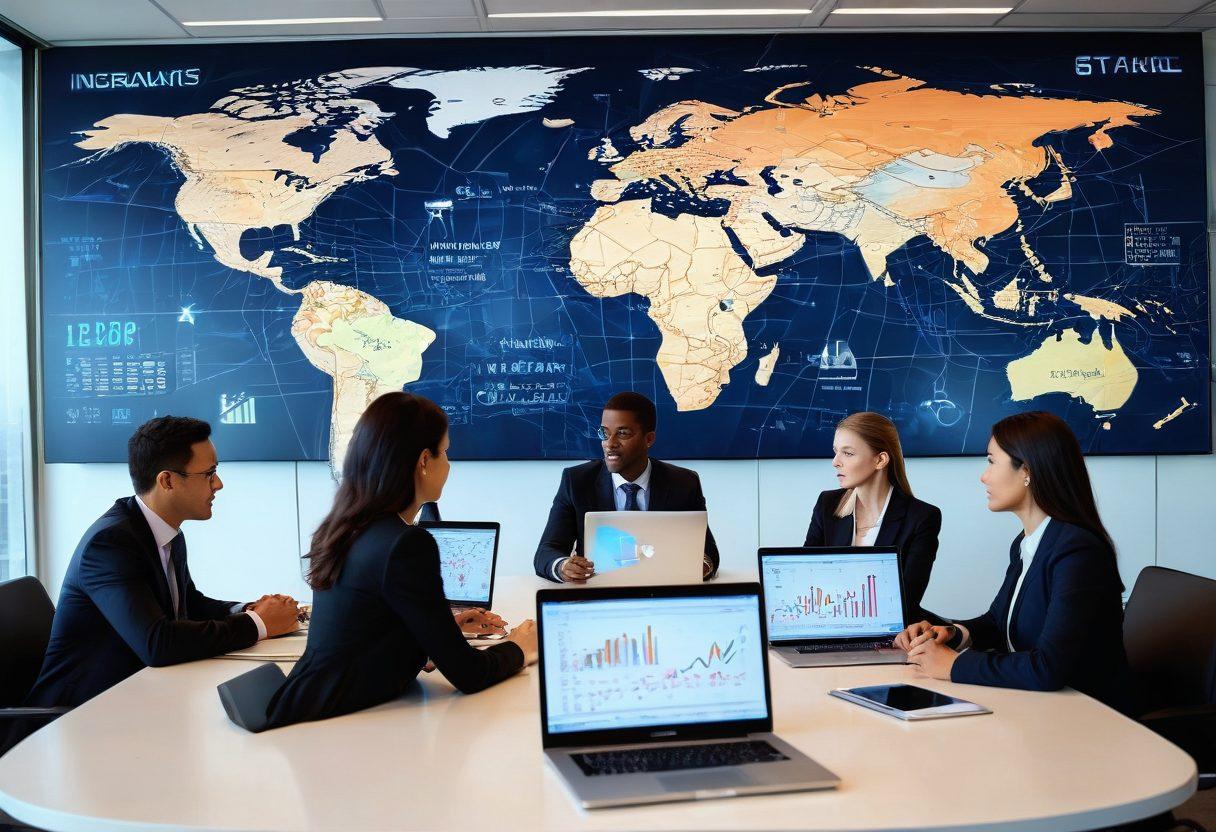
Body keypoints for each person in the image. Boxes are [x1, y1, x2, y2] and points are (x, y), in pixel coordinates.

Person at [265, 392, 536, 728]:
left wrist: (441, 631)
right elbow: (470, 675)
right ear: (424, 460)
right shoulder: (407, 543)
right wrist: (520, 648)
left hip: (312, 709)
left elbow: (363, 635)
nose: (449, 464)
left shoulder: (346, 527)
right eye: (446, 452)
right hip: (337, 730)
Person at [25, 416, 300, 710]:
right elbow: (157, 644)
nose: (218, 484)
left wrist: (248, 609)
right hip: (75, 717)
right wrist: (258, 624)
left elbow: (187, 605)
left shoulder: (165, 531)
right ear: (167, 480)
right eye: (209, 473)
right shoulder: (109, 545)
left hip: (136, 698)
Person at [895, 411, 1132, 713]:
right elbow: (998, 621)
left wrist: (954, 665)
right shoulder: (1028, 541)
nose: (984, 476)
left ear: (1027, 471)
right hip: (1040, 707)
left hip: (1089, 718)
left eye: (992, 461)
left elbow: (1048, 667)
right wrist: (952, 634)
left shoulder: (1078, 552)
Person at [533, 391, 720, 583]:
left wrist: (690, 571)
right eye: (605, 433)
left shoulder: (683, 482)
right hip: (597, 594)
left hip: (662, 591)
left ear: (649, 439)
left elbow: (708, 554)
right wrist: (563, 566)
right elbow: (546, 552)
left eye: (622, 433)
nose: (610, 443)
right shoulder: (577, 481)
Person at [804, 412, 941, 619]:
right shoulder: (827, 505)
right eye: (836, 452)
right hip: (828, 624)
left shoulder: (922, 517)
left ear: (880, 460)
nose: (835, 462)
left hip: (889, 635)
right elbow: (807, 576)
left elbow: (906, 601)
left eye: (848, 453)